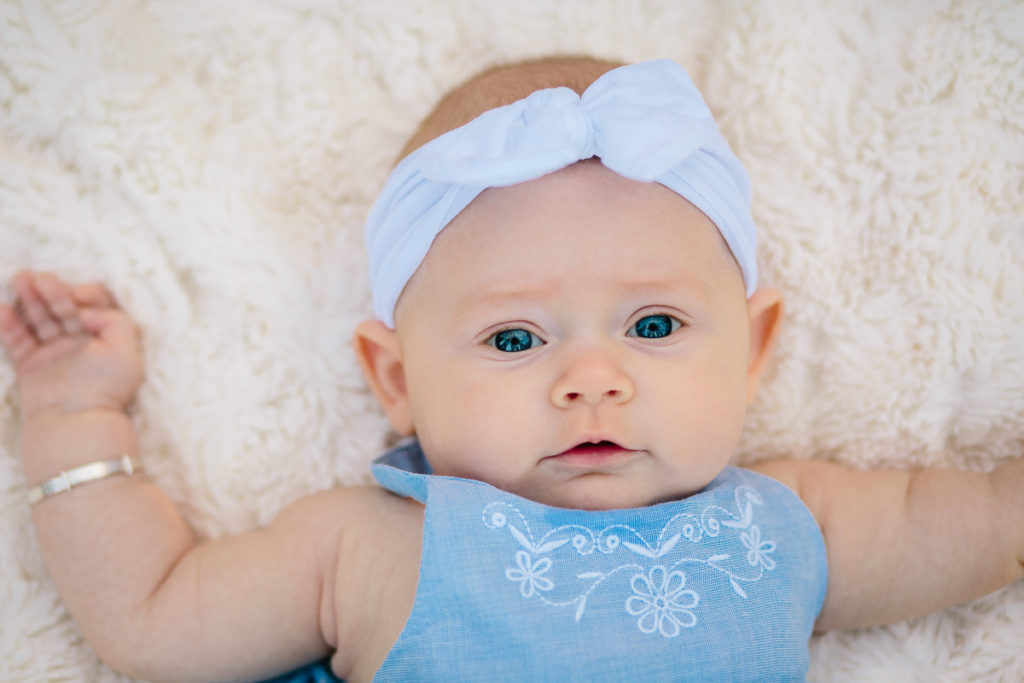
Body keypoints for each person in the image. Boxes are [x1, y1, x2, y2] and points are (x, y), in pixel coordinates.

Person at [0, 56, 1021, 683]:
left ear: (752, 349)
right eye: (515, 338)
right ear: (396, 379)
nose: (591, 379)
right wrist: (75, 413)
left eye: (653, 323)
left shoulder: (796, 522)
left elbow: (987, 522)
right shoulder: (364, 545)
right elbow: (152, 615)